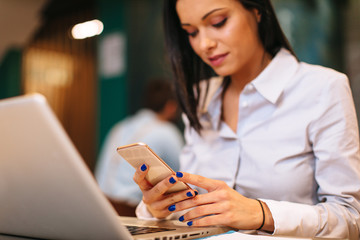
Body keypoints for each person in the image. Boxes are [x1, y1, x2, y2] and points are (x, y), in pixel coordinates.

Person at [132, 0, 360, 239]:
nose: (204, 44)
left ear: (257, 10)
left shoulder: (322, 88)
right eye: (192, 32)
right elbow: (194, 208)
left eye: (218, 23)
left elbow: (350, 217)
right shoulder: (200, 98)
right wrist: (157, 208)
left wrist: (261, 212)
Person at [95, 78, 184, 216]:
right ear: (171, 106)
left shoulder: (120, 126)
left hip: (100, 205)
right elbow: (184, 176)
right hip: (131, 210)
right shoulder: (167, 131)